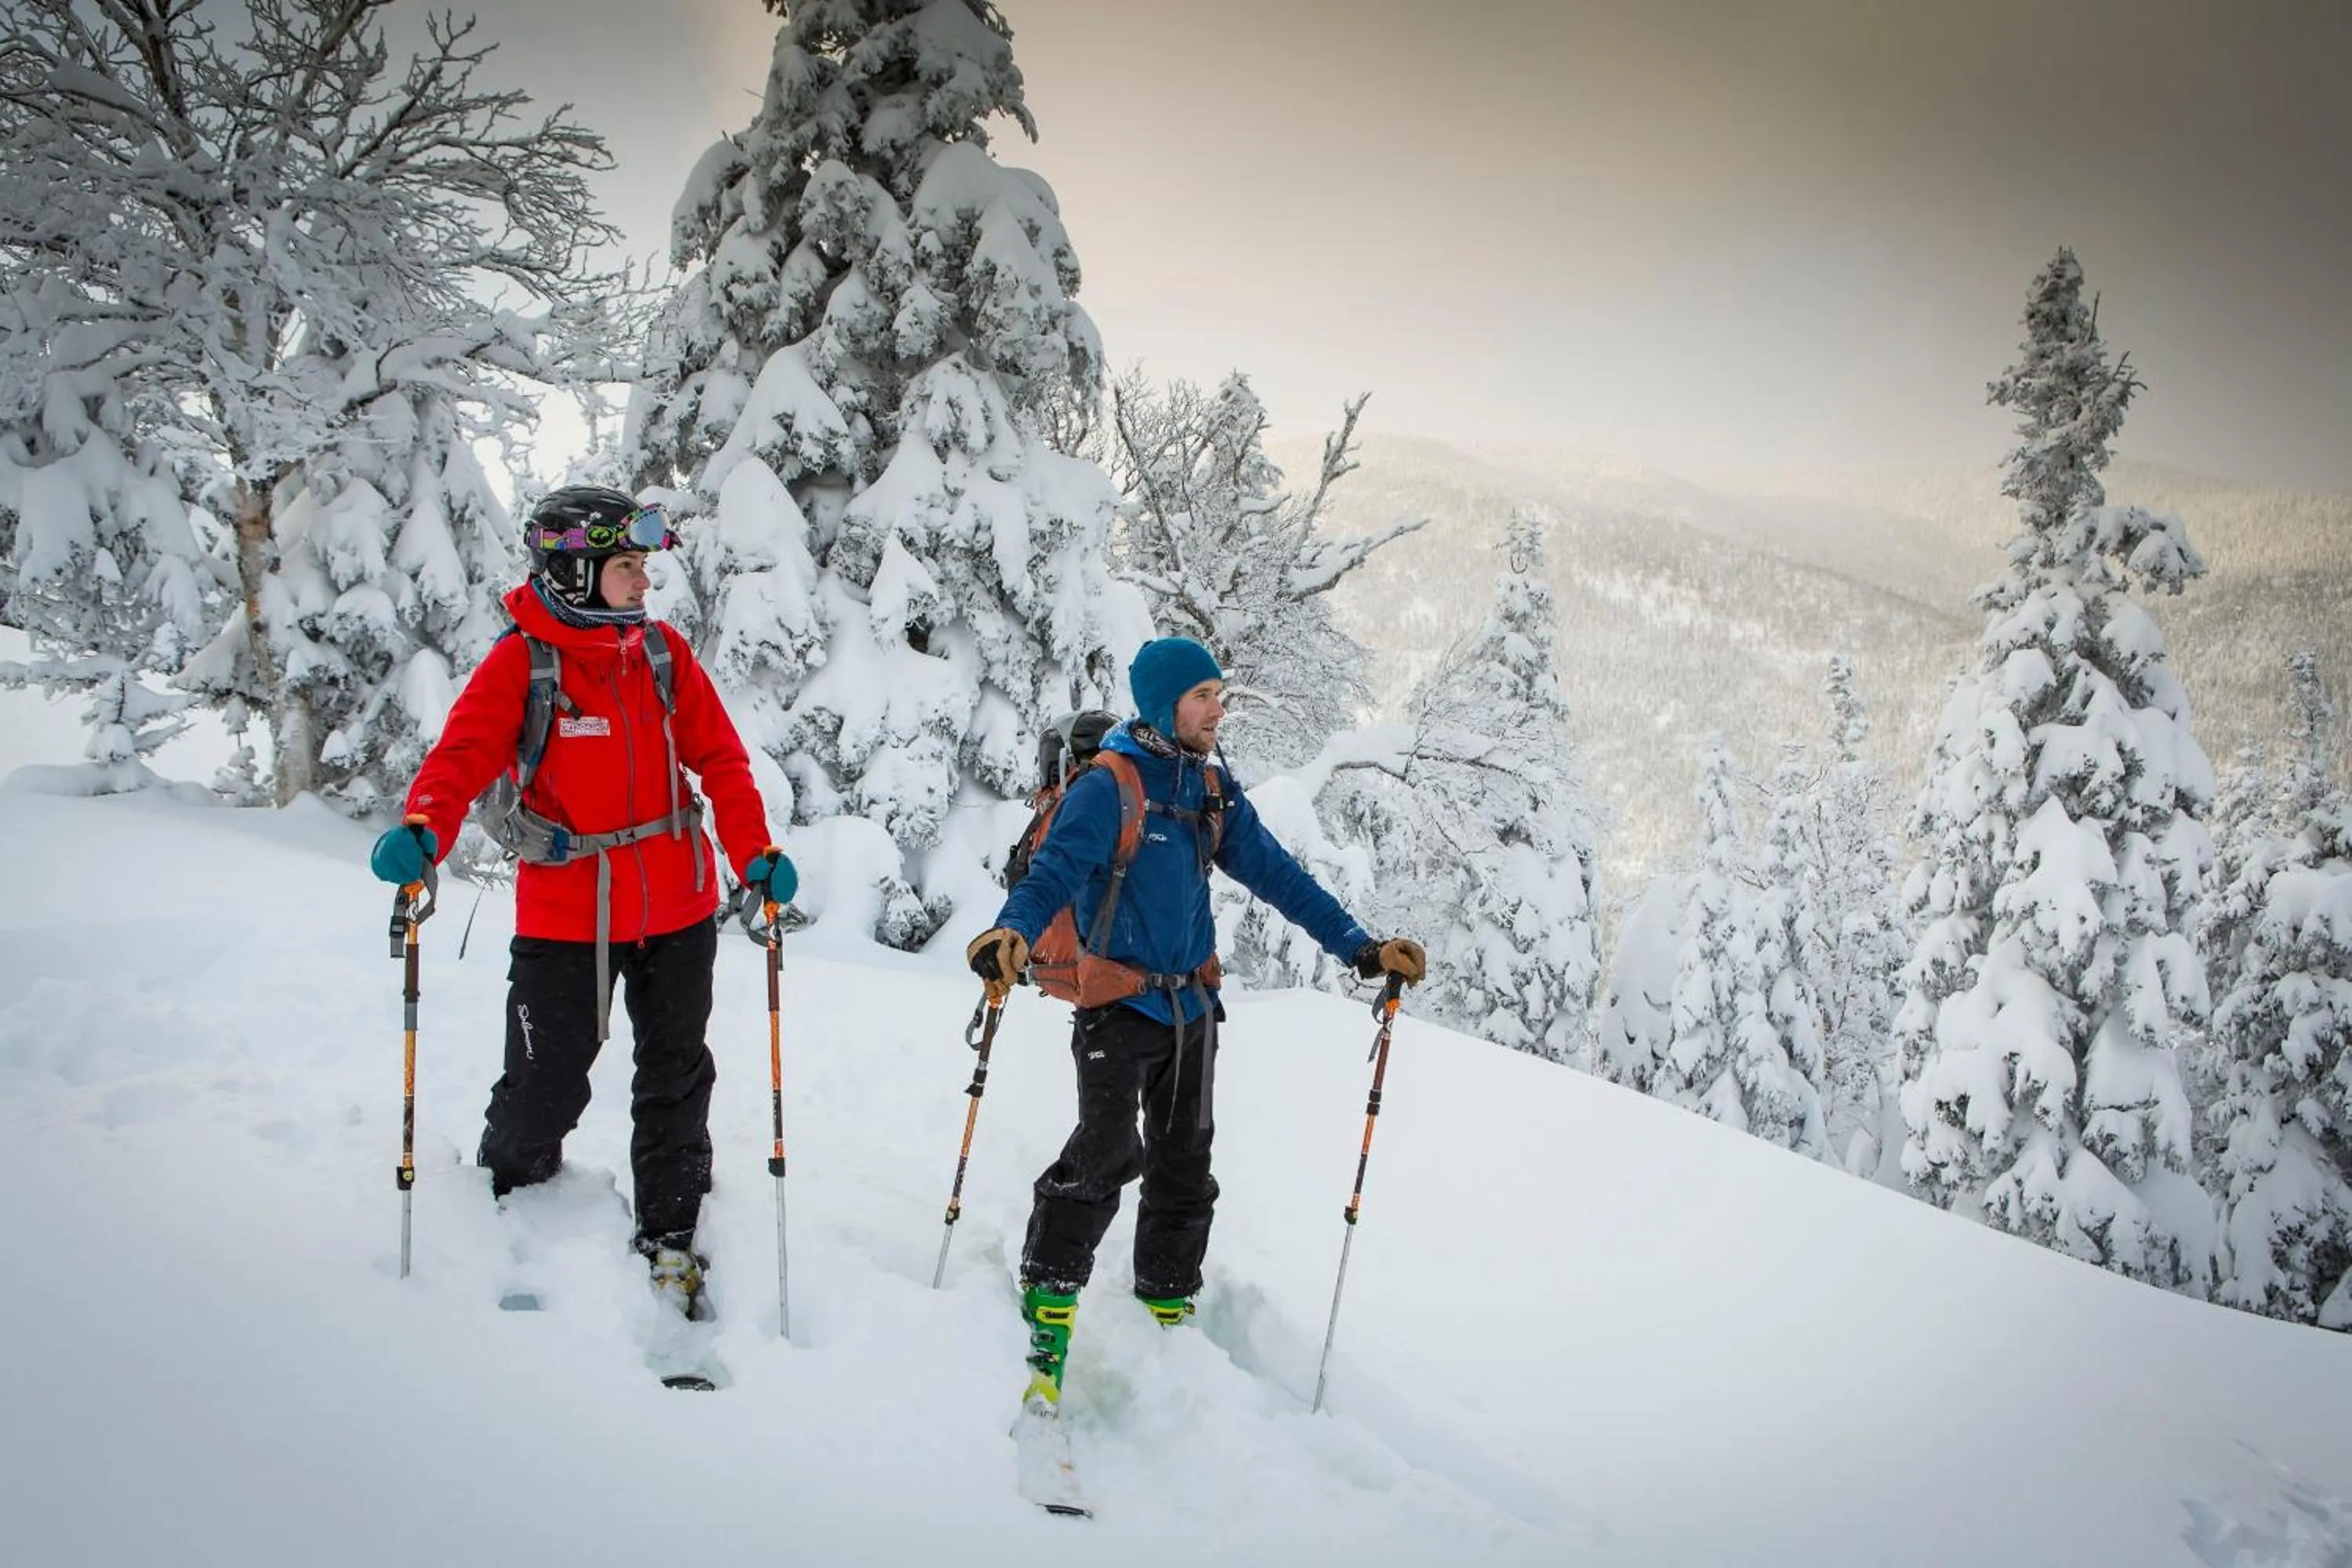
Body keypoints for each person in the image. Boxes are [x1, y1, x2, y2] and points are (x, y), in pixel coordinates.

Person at [964, 635, 1425, 1413]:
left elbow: (1278, 874)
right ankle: (1048, 1303)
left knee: (1184, 1168)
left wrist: (1361, 948)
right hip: (1117, 1007)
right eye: (1203, 696)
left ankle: (1166, 1308)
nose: (1218, 709)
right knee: (1105, 1154)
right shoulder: (1109, 787)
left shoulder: (1209, 786)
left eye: (1220, 694)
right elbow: (1054, 873)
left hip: (1193, 1009)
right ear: (1163, 704)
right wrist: (1011, 929)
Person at [368, 485, 794, 1313]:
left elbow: (721, 760)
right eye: (627, 565)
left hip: (678, 910)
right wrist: (425, 829)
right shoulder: (523, 662)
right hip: (565, 916)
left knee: (676, 1081)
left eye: (642, 564)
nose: (644, 580)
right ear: (573, 570)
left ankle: (672, 1236)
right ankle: (511, 1204)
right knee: (545, 1084)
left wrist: (753, 853)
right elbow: (461, 757)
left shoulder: (661, 653)